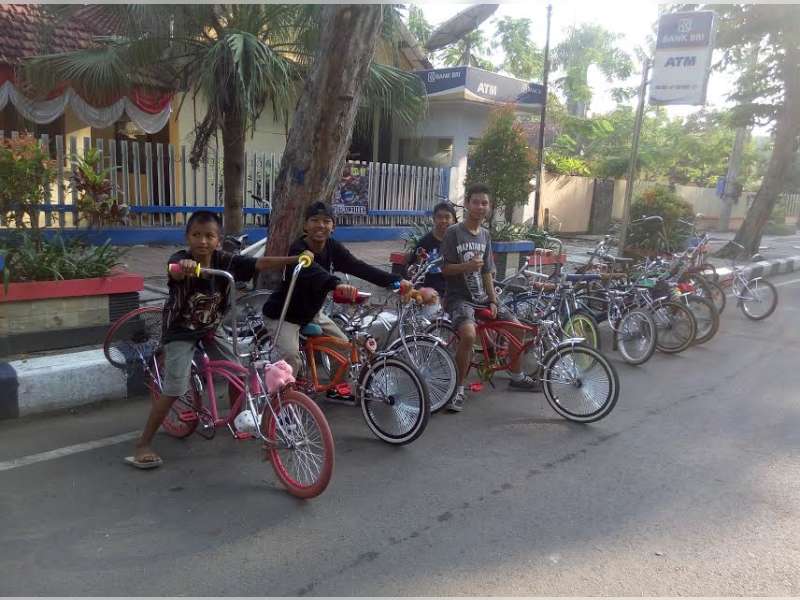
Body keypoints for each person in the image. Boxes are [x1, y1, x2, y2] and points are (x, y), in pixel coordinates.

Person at [129, 211, 300, 469]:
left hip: (211, 326)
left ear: (218, 240)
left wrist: (295, 258)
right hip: (180, 331)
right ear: (187, 237)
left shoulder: (224, 260)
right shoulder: (181, 260)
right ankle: (143, 443)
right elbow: (173, 271)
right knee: (175, 387)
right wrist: (183, 269)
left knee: (239, 373)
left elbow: (258, 264)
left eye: (209, 236)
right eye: (196, 235)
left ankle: (238, 419)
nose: (203, 241)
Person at [262, 201, 411, 376]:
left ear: (333, 226)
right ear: (305, 225)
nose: (320, 225)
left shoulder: (333, 248)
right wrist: (337, 284)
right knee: (291, 359)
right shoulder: (299, 249)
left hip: (312, 314)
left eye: (326, 221)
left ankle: (337, 389)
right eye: (315, 220)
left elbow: (359, 267)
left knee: (344, 346)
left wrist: (396, 280)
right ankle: (282, 401)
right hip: (283, 315)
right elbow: (313, 272)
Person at [441, 184, 539, 413]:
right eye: (476, 202)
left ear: (489, 206)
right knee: (468, 335)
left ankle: (516, 375)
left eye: (484, 203)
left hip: (483, 297)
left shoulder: (485, 235)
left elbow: (487, 272)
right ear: (466, 204)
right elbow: (445, 269)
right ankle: (457, 389)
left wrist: (493, 301)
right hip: (459, 298)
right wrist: (466, 266)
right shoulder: (454, 232)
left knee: (517, 329)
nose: (480, 206)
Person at [406, 201, 457, 297]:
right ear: (434, 219)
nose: (443, 220)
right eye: (439, 217)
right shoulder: (425, 241)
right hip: (429, 292)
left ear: (453, 220)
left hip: (453, 292)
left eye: (447, 217)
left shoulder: (457, 242)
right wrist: (418, 261)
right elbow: (412, 271)